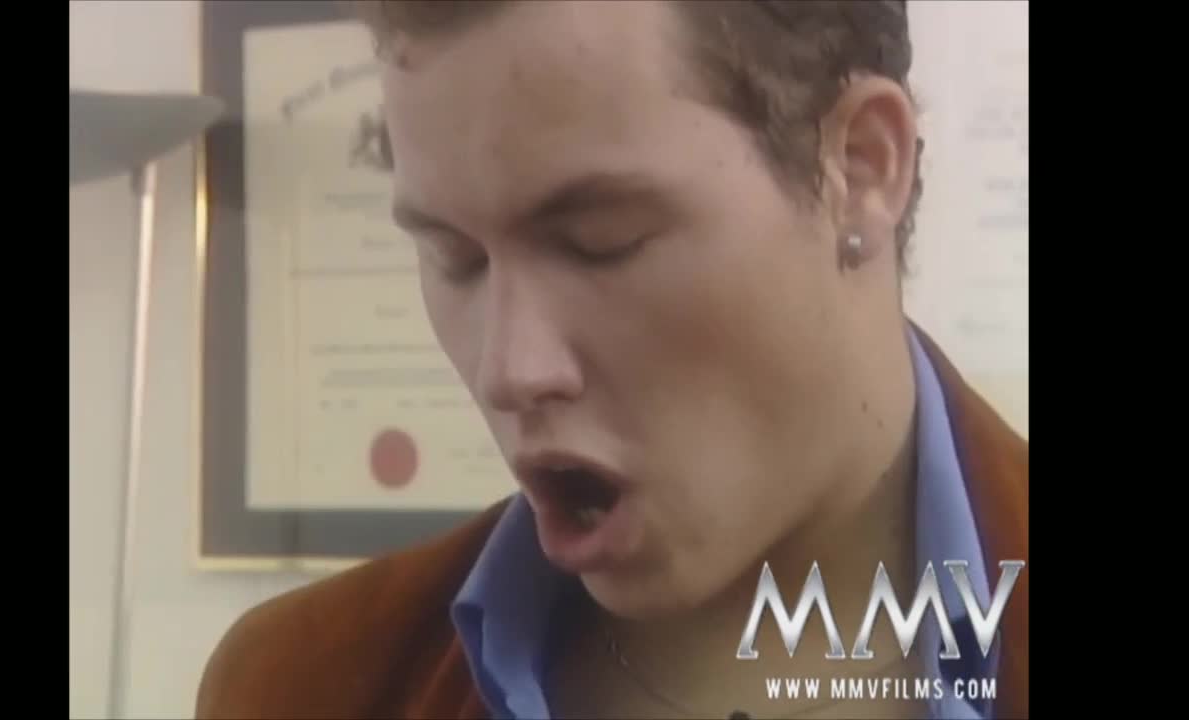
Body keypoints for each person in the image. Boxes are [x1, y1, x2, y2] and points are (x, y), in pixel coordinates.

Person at [195, 2, 1028, 718]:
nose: (509, 369)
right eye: (456, 259)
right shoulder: (298, 684)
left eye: (602, 243)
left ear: (861, 167)